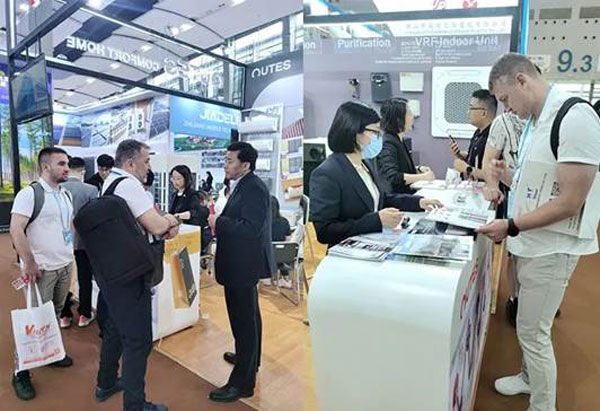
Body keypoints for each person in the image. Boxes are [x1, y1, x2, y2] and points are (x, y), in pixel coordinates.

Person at [477, 53, 600, 411]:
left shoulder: (574, 117)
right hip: (530, 243)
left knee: (534, 332)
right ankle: (529, 378)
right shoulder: (537, 121)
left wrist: (511, 225)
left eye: (505, 99)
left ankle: (543, 405)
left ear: (521, 80)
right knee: (527, 326)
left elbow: (570, 202)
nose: (506, 108)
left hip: (551, 248)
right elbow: (538, 185)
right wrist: (504, 176)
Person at [95, 140, 180, 411]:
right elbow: (155, 225)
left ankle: (106, 382)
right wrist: (171, 220)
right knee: (138, 341)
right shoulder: (130, 185)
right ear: (131, 163)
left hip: (113, 270)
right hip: (132, 274)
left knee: (114, 328)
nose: (148, 167)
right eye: (146, 161)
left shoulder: (109, 183)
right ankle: (135, 405)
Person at [309, 101, 443, 248]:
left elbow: (382, 199)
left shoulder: (365, 164)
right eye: (375, 132)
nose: (379, 137)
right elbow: (324, 231)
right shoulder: (327, 173)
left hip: (373, 241)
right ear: (356, 133)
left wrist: (418, 202)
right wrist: (376, 220)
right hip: (347, 250)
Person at [207, 142, 275, 403]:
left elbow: (250, 227)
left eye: (230, 160)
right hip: (240, 263)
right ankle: (249, 359)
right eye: (225, 159)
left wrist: (218, 221)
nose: (225, 164)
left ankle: (242, 383)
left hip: (242, 264)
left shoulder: (253, 188)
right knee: (249, 317)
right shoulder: (243, 185)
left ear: (245, 164)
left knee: (243, 321)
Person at [9, 147, 75, 401]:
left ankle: (51, 352)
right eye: (61, 164)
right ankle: (20, 372)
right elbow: (16, 229)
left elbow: (66, 228)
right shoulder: (30, 194)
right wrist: (29, 262)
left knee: (54, 313)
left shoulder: (65, 193)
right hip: (41, 269)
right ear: (46, 166)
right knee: (33, 320)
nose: (67, 168)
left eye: (67, 163)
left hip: (64, 265)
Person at [58, 156, 98, 328]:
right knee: (84, 278)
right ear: (83, 171)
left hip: (61, 243)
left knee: (64, 280)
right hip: (84, 242)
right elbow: (93, 218)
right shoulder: (91, 190)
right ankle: (84, 314)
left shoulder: (58, 188)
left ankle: (64, 316)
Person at [377, 97, 435, 193]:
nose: (412, 117)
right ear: (398, 119)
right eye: (409, 113)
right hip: (398, 197)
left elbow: (401, 167)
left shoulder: (398, 139)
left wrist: (418, 169)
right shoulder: (388, 144)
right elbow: (393, 177)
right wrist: (422, 177)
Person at [450, 89, 497, 180]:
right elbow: (475, 160)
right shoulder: (478, 133)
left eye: (471, 108)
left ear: (484, 113)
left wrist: (466, 168)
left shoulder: (494, 136)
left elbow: (490, 175)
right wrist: (459, 155)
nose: (468, 112)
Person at [271, 195, 292, 288]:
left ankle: (267, 278)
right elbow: (288, 240)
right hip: (282, 257)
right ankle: (286, 279)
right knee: (280, 250)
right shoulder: (285, 221)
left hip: (267, 257)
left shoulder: (263, 223)